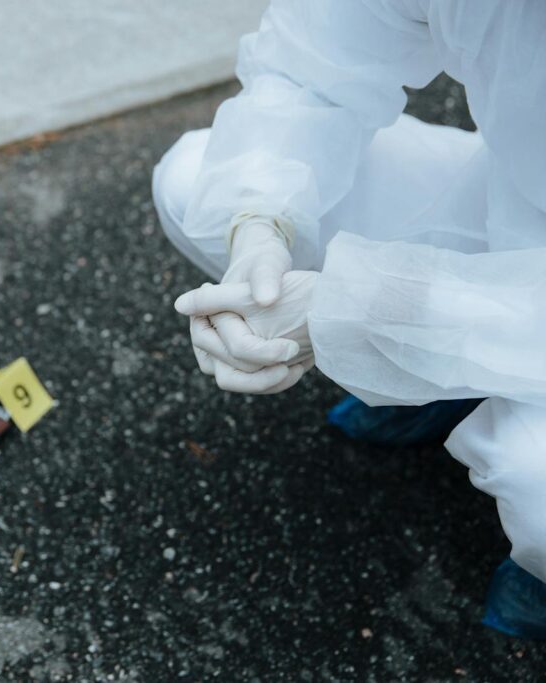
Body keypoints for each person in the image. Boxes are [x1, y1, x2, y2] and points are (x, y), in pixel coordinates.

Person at [152, 0, 546, 638]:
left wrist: (366, 307)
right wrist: (260, 224)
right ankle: (444, 380)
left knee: (541, 491)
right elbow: (313, 63)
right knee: (198, 179)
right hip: (514, 204)